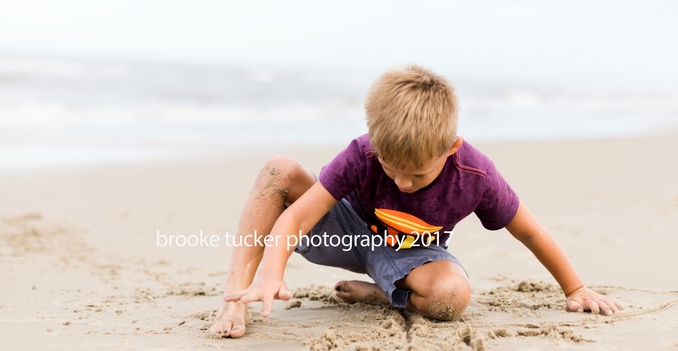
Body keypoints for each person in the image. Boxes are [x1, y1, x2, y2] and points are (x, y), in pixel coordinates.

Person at [209, 64, 622, 338]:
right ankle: (236, 296)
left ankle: (381, 292)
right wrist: (271, 273)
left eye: (418, 173)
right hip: (346, 231)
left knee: (452, 298)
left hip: (413, 253)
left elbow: (530, 231)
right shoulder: (363, 152)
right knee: (279, 169)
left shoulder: (476, 174)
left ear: (451, 147)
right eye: (391, 168)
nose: (403, 183)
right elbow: (299, 216)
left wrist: (577, 287)